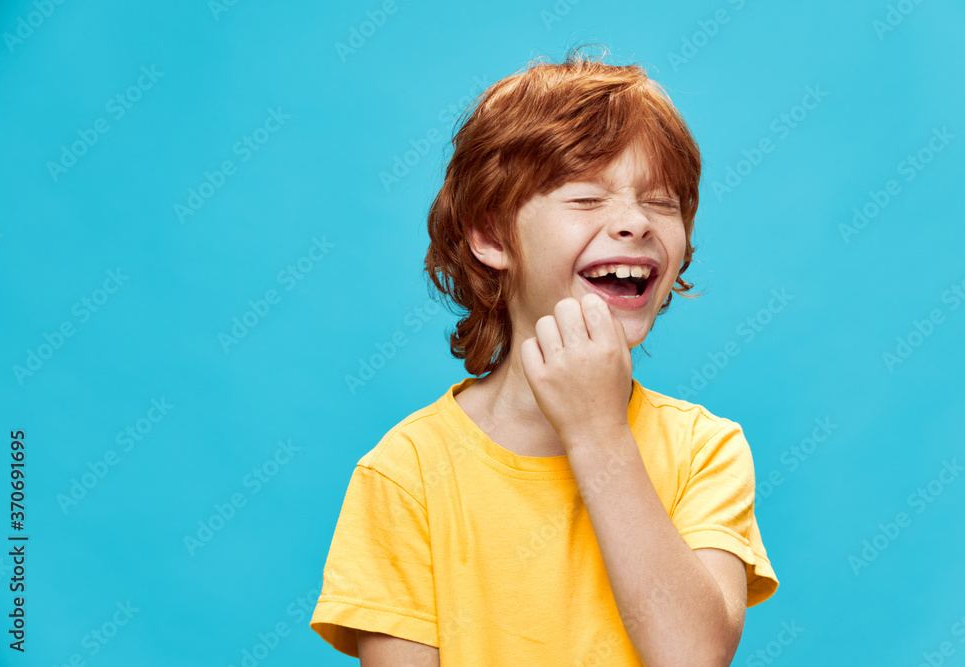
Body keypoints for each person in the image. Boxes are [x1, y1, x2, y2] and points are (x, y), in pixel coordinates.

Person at [310, 45, 779, 665]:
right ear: (490, 235)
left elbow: (692, 657)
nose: (636, 223)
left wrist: (598, 434)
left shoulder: (704, 450)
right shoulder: (407, 473)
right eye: (586, 199)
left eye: (662, 202)